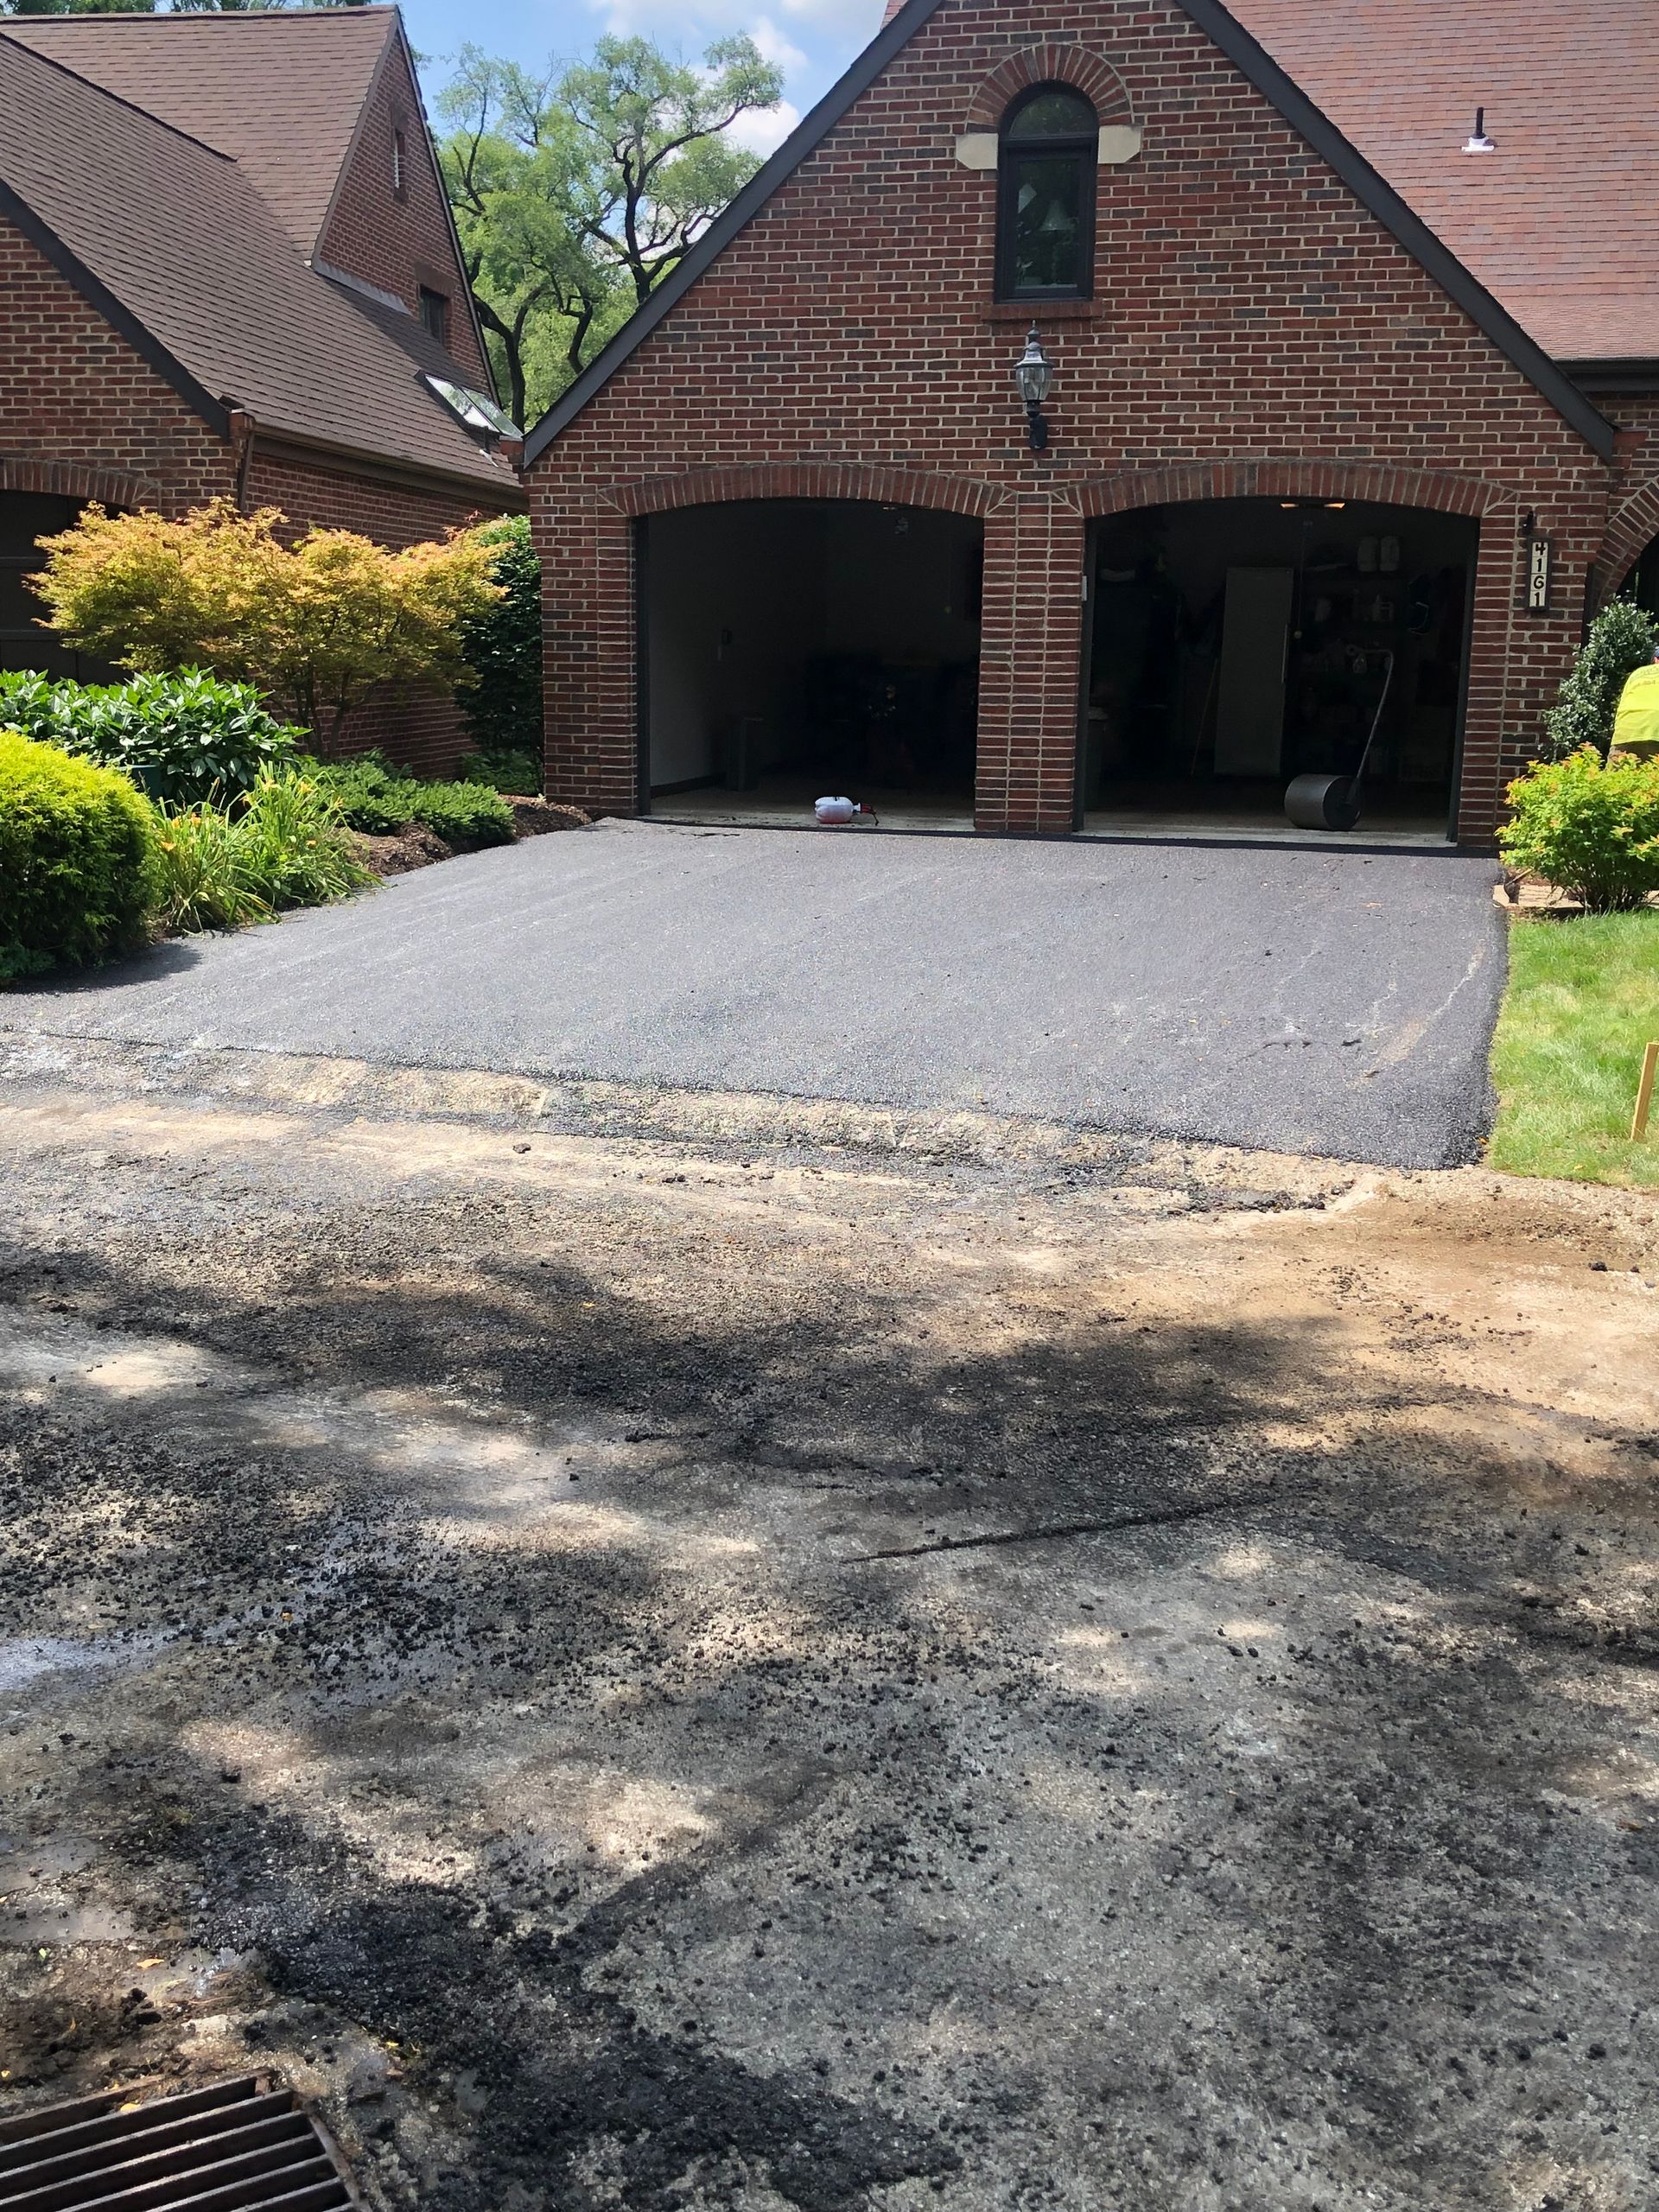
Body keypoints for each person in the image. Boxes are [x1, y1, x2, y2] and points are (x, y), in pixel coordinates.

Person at [1611, 644, 1659, 760]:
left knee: (1617, 778)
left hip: (1626, 732)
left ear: (1655, 660)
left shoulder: (1637, 674)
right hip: (1656, 730)